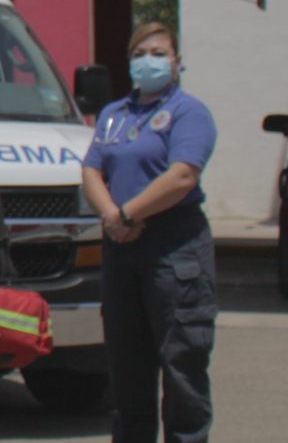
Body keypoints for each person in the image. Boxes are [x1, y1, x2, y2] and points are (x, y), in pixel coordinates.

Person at [81, 22, 217, 443]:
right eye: (139, 53)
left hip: (173, 248)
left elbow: (182, 175)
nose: (148, 61)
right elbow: (91, 169)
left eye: (158, 53)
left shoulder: (189, 112)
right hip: (121, 249)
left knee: (181, 367)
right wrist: (111, 216)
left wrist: (129, 213)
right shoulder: (113, 115)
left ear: (177, 62)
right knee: (127, 371)